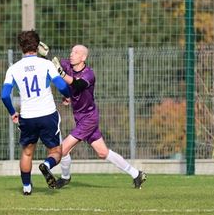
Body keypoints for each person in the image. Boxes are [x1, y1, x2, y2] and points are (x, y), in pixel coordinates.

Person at [51, 44, 147, 189]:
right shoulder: (67, 65)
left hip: (88, 119)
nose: (71, 54)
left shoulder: (89, 74)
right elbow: (54, 63)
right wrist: (44, 54)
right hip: (81, 118)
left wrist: (62, 75)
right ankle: (136, 174)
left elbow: (78, 85)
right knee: (103, 152)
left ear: (83, 57)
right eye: (71, 51)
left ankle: (65, 178)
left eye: (76, 52)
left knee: (62, 149)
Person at [1, 30, 70, 195]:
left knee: (27, 152)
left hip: (28, 117)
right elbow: (62, 86)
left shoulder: (13, 69)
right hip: (47, 114)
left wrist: (12, 112)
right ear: (37, 46)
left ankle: (26, 187)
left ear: (21, 47)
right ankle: (46, 165)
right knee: (56, 152)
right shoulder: (46, 65)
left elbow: (4, 95)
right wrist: (67, 96)